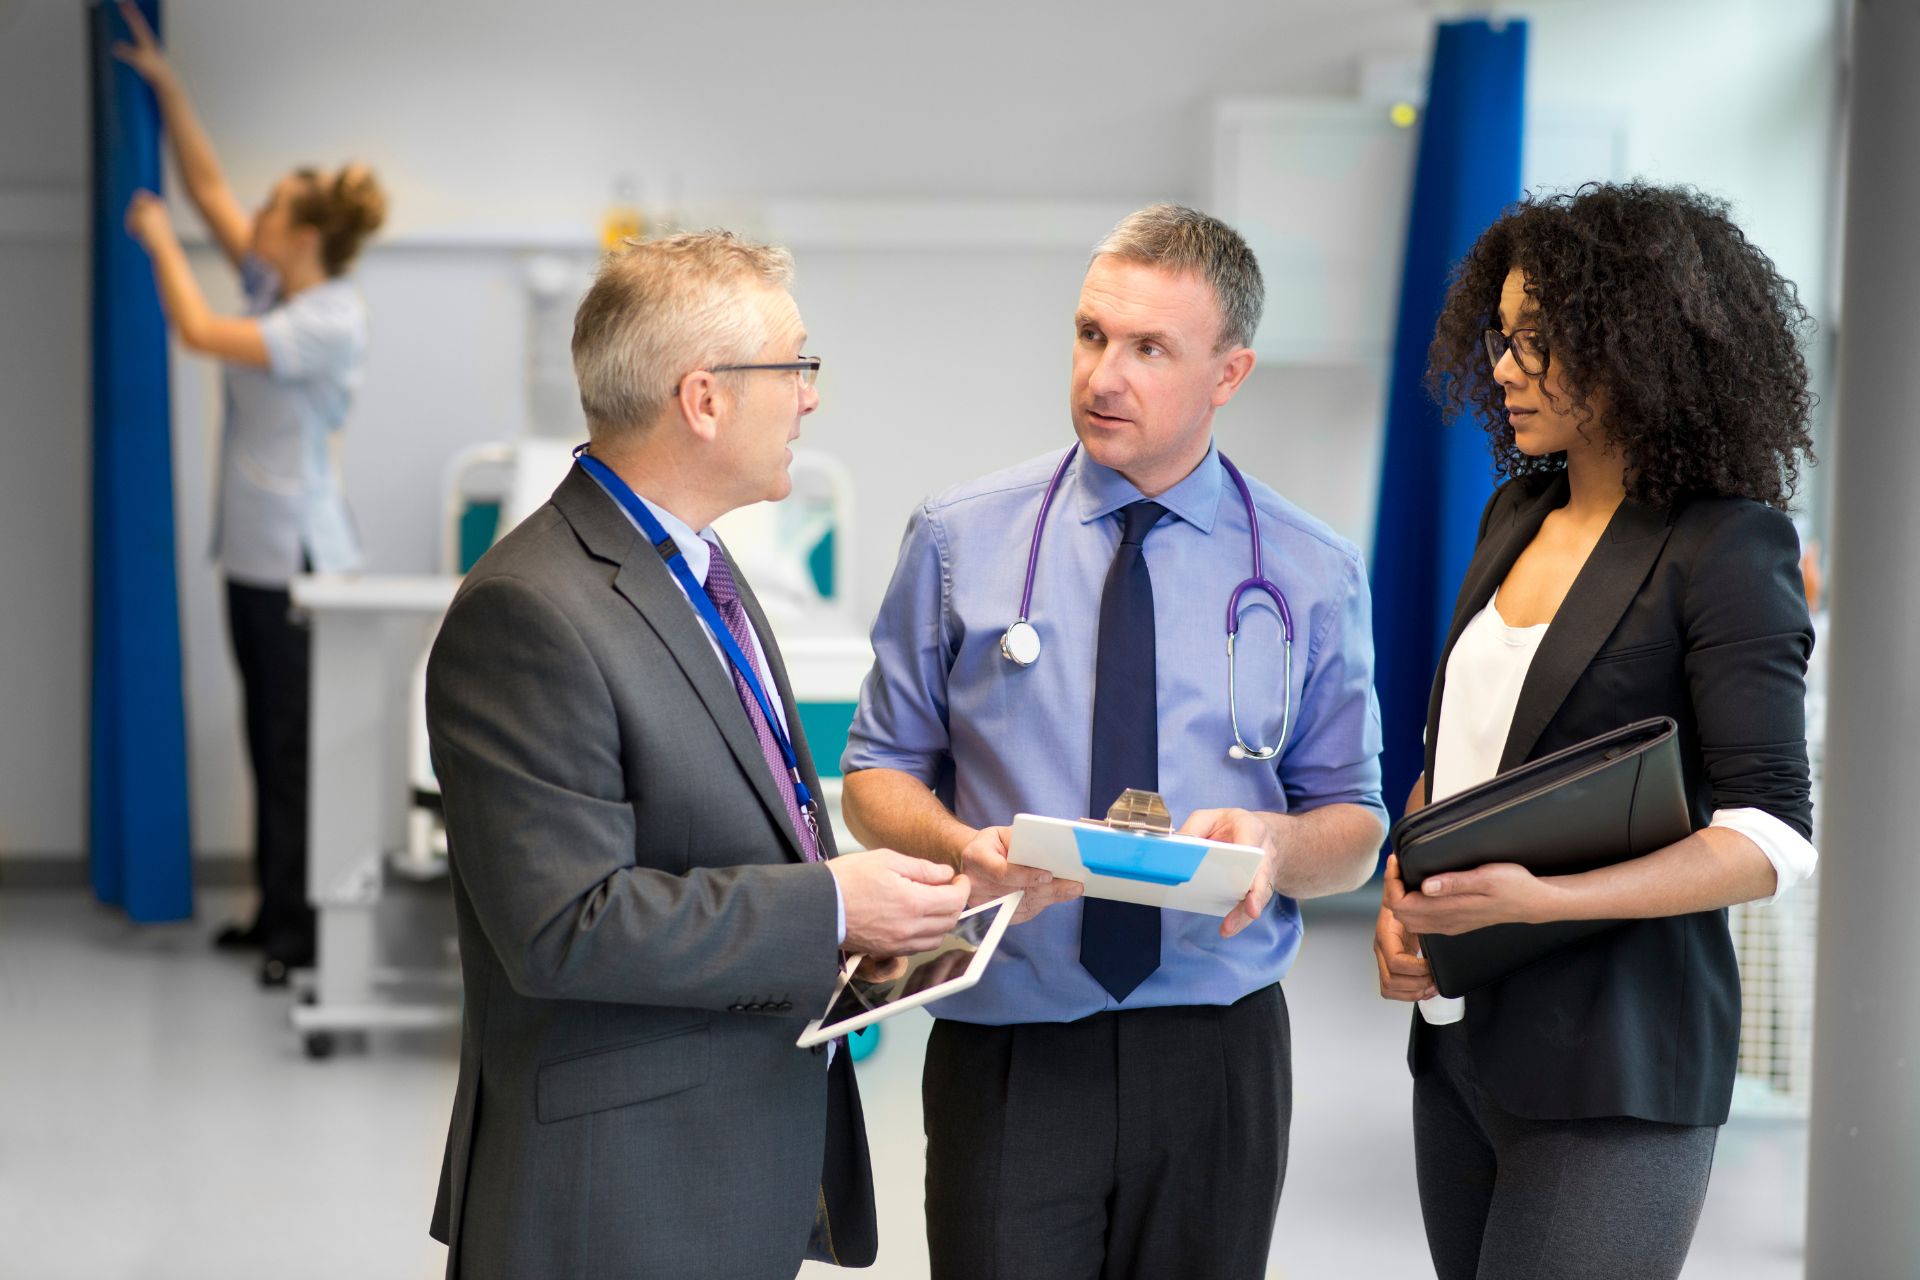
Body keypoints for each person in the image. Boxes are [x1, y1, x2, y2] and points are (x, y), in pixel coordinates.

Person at [842, 204, 1388, 1279]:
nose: (1104, 375)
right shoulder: (962, 539)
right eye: (1093, 334)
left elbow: (1355, 828)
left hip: (1214, 1046)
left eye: (1149, 349)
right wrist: (962, 845)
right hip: (1010, 1036)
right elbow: (876, 772)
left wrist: (1276, 845)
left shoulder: (1311, 569)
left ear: (1229, 374)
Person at [423, 230, 971, 1278]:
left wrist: (871, 941)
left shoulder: (701, 567)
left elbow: (731, 838)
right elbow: (562, 926)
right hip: (612, 1194)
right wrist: (834, 905)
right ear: (704, 398)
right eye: (795, 365)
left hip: (722, 1164)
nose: (811, 396)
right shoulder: (529, 609)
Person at [1372, 183, 1820, 1280]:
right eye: (1503, 336)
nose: (1507, 368)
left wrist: (1544, 900)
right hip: (1462, 1042)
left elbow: (1771, 835)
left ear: (1643, 344)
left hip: (1620, 1063)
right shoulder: (1514, 513)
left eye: (1543, 341)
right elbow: (1462, 749)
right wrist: (1405, 883)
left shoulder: (1728, 547)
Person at [113, 2, 387, 986]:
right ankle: (277, 912)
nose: (254, 219)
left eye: (275, 210)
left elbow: (196, 330)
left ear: (306, 233)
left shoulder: (328, 319)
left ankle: (303, 933)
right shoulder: (284, 287)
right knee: (271, 744)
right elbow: (213, 186)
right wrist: (166, 85)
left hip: (301, 561)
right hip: (256, 549)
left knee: (295, 749)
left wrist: (154, 240)